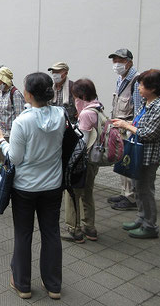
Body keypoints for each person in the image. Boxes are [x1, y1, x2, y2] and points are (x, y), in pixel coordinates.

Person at [0, 72, 66, 300]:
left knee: (23, 234)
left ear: (29, 94)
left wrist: (0, 139)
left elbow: (14, 158)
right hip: (53, 185)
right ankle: (53, 285)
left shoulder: (22, 121)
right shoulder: (61, 115)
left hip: (25, 187)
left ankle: (23, 284)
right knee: (51, 232)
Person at [112, 69, 160, 239]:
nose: (138, 88)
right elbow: (139, 123)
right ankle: (141, 218)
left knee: (145, 190)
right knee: (138, 188)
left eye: (141, 85)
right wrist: (126, 123)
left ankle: (150, 226)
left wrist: (126, 125)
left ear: (152, 88)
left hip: (149, 156)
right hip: (141, 153)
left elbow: (148, 133)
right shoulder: (147, 102)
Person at [61, 79, 102, 243]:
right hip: (93, 161)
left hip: (81, 162)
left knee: (72, 194)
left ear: (82, 96)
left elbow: (81, 143)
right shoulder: (98, 108)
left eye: (75, 98)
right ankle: (90, 228)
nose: (74, 101)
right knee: (87, 194)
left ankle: (74, 229)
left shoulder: (86, 114)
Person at [108, 49, 143, 211]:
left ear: (129, 62)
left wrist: (130, 127)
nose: (116, 64)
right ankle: (124, 193)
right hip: (119, 128)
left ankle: (131, 198)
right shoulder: (120, 79)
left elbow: (138, 109)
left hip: (128, 129)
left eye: (120, 61)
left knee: (128, 163)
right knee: (122, 162)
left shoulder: (136, 81)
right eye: (114, 61)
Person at [0, 66, 25, 168]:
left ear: (3, 80)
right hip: (1, 135)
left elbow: (20, 117)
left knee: (10, 165)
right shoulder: (0, 94)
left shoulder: (15, 93)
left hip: (11, 136)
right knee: (3, 164)